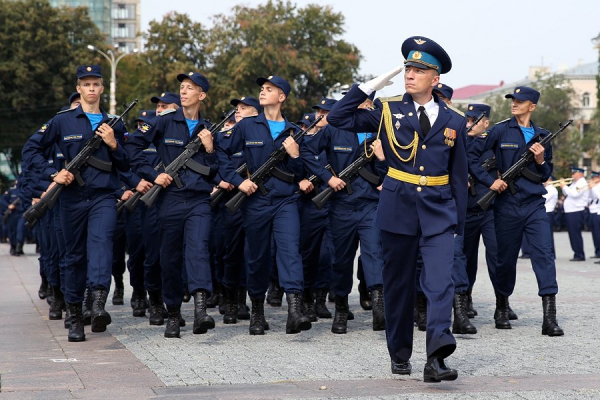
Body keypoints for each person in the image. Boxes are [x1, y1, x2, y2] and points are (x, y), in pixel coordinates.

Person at [328, 36, 467, 382]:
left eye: (419, 70)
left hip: (438, 212)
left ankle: (436, 356)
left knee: (440, 285)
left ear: (435, 79)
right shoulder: (387, 111)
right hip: (397, 209)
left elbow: (459, 175)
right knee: (398, 285)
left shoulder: (454, 120)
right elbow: (337, 117)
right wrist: (372, 85)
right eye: (407, 68)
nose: (410, 74)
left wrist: (457, 226)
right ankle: (400, 352)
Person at [22, 65, 130, 342]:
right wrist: (53, 174)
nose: (91, 89)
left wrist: (114, 144)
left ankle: (96, 304)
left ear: (102, 89)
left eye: (96, 84)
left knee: (102, 245)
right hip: (71, 199)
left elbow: (128, 164)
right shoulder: (62, 121)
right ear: (79, 88)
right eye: (86, 84)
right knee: (73, 257)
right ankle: (75, 317)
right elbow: (31, 149)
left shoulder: (115, 124)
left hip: (104, 196)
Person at [218, 75, 312, 336]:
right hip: (256, 201)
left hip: (286, 200)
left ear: (281, 97)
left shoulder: (293, 131)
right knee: (257, 257)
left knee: (290, 251)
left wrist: (294, 155)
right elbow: (222, 152)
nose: (263, 92)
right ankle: (257, 311)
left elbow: (300, 171)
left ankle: (295, 310)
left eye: (269, 89)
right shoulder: (247, 126)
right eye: (262, 88)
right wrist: (238, 181)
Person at [126, 71, 217, 338]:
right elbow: (132, 149)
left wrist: (210, 149)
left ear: (202, 96)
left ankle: (201, 310)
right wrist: (153, 175)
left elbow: (217, 170)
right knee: (170, 258)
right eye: (182, 87)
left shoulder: (208, 129)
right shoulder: (163, 122)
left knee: (199, 250)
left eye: (190, 88)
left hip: (199, 200)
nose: (184, 91)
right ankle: (174, 314)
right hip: (170, 200)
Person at [468, 86, 563, 337]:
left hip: (533, 205)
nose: (514, 104)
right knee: (505, 260)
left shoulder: (542, 136)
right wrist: (489, 182)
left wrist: (541, 160)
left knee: (544, 255)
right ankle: (502, 306)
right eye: (513, 100)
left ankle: (549, 318)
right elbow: (472, 156)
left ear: (532, 106)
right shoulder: (500, 130)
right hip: (506, 206)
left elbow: (546, 174)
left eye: (520, 101)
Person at [301, 97, 386, 334]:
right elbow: (307, 150)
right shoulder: (336, 129)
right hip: (342, 206)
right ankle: (340, 307)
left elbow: (391, 169)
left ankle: (380, 307)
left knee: (374, 254)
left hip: (371, 204)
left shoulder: (381, 132)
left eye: (368, 105)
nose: (364, 108)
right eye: (360, 104)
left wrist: (381, 158)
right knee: (341, 260)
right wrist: (327, 178)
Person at [560, 167, 589, 261]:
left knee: (575, 234)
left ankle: (579, 254)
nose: (572, 175)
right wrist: (563, 187)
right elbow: (568, 193)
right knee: (572, 234)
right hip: (571, 211)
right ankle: (577, 253)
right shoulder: (575, 183)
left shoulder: (582, 183)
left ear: (580, 174)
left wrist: (564, 186)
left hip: (576, 211)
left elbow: (574, 194)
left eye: (574, 173)